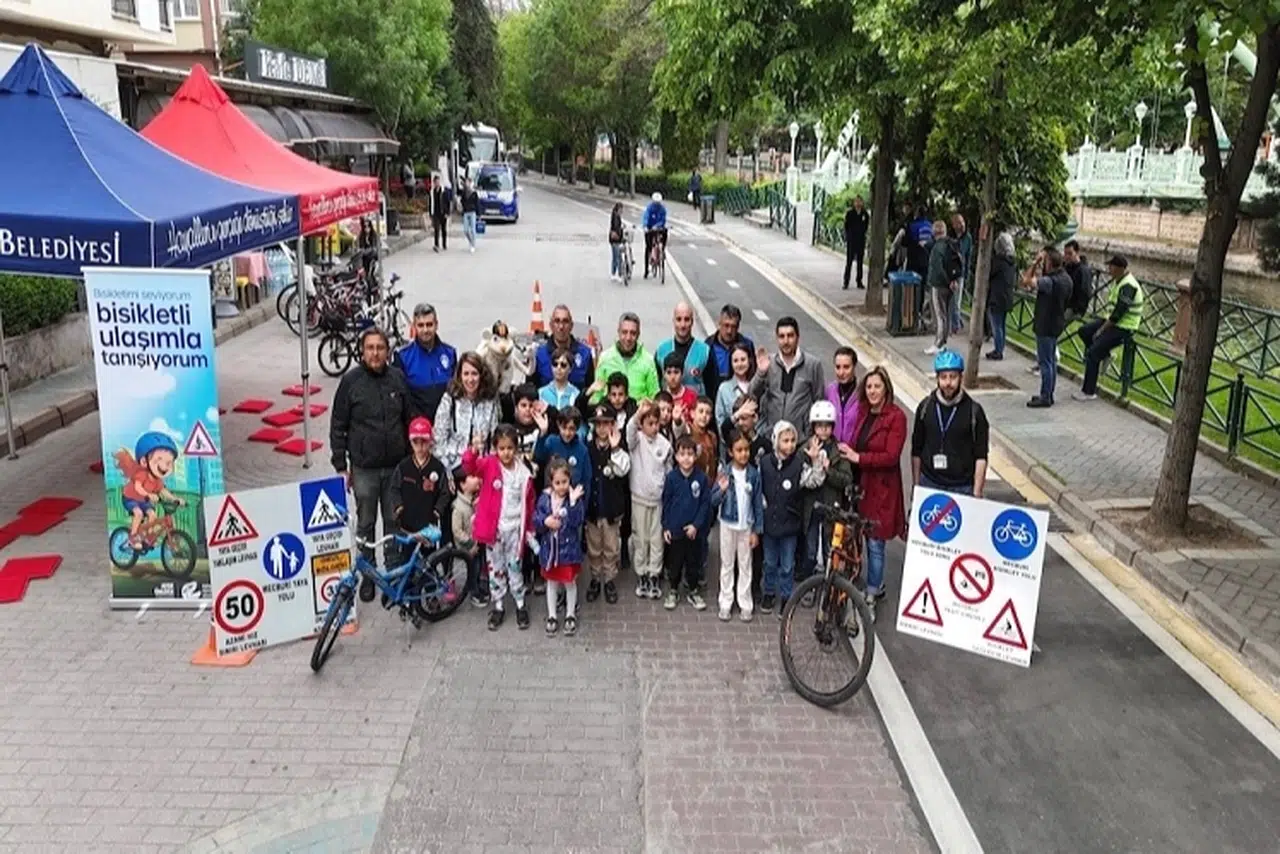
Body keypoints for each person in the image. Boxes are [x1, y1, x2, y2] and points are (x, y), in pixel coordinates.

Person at [330, 328, 412, 602]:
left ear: (388, 351)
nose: (375, 353)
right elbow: (338, 425)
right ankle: (368, 576)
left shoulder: (398, 380)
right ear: (362, 351)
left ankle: (391, 575)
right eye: (370, 348)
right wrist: (341, 465)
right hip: (364, 469)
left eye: (380, 347)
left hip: (395, 468)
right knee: (365, 525)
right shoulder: (350, 382)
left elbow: (409, 419)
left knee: (394, 523)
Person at [842, 367, 907, 620]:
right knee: (858, 537)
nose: (872, 391)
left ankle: (872, 592)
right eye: (869, 387)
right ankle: (862, 581)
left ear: (886, 388)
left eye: (877, 386)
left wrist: (859, 457)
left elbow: (891, 456)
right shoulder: (863, 412)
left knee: (875, 543)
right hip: (860, 485)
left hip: (881, 488)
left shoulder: (896, 417)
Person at [463, 426, 535, 631]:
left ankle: (520, 604)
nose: (506, 453)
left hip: (515, 529)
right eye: (502, 448)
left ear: (516, 448)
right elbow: (469, 467)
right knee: (496, 569)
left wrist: (529, 529)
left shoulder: (524, 473)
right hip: (495, 531)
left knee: (515, 567)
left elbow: (529, 502)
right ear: (495, 449)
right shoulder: (490, 465)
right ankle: (499, 605)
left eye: (510, 448)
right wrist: (473, 450)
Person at [911, 350, 989, 497]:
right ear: (937, 379)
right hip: (930, 483)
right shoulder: (925, 408)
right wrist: (916, 486)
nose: (948, 383)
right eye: (943, 377)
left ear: (961, 377)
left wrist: (977, 492)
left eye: (953, 377)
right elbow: (916, 450)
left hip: (962, 487)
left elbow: (981, 455)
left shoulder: (975, 412)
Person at [799, 400, 854, 598]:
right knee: (810, 549)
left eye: (827, 425)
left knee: (830, 549)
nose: (823, 430)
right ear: (813, 426)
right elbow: (800, 476)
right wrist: (811, 460)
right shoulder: (805, 447)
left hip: (832, 507)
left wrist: (829, 469)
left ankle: (828, 586)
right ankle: (808, 587)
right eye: (819, 425)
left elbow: (847, 480)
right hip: (811, 508)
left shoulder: (839, 451)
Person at [1073, 254, 1144, 402]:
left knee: (1092, 353)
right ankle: (1105, 354)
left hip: (1125, 326)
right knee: (1084, 331)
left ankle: (1088, 391)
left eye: (1111, 266)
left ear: (1121, 269)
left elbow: (1118, 314)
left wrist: (1101, 330)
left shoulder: (1128, 286)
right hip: (1114, 322)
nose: (1109, 269)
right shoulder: (1118, 281)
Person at [711, 429, 764, 621]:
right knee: (727, 564)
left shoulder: (753, 474)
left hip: (746, 527)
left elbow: (757, 503)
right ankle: (725, 601)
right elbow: (713, 500)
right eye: (739, 450)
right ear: (731, 452)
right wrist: (722, 491)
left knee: (745, 564)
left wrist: (756, 530)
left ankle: (745, 602)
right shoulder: (724, 472)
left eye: (746, 450)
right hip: (727, 524)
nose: (744, 454)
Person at [534, 458, 587, 637]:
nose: (562, 486)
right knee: (552, 583)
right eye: (557, 482)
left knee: (569, 583)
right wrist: (545, 521)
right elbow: (537, 519)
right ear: (551, 482)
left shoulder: (574, 499)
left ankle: (570, 613)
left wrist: (572, 504)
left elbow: (576, 521)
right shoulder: (544, 498)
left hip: (568, 550)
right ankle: (552, 615)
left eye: (564, 482)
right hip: (550, 550)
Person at [584, 405, 631, 605]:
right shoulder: (587, 448)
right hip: (593, 509)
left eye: (606, 424)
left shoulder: (619, 448)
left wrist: (615, 448)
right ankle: (595, 578)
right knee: (594, 547)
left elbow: (623, 470)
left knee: (611, 547)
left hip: (611, 508)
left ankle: (609, 579)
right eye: (599, 424)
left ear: (613, 425)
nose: (602, 429)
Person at [759, 421, 806, 616]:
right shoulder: (765, 463)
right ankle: (768, 592)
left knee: (787, 565)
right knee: (770, 562)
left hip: (790, 523)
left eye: (793, 440)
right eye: (785, 440)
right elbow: (759, 489)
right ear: (776, 441)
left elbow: (807, 482)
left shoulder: (798, 464)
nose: (790, 445)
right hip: (770, 523)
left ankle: (787, 596)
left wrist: (817, 464)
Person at [751, 317, 826, 437]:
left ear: (798, 337)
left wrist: (812, 434)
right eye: (781, 336)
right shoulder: (768, 363)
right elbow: (753, 394)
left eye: (790, 335)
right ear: (777, 338)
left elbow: (819, 401)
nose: (786, 341)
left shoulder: (813, 364)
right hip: (772, 438)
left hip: (800, 440)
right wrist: (761, 373)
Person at [627, 400, 672, 599]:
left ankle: (654, 574)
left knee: (656, 540)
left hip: (658, 501)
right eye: (649, 423)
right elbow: (629, 429)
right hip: (638, 498)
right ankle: (642, 574)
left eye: (656, 423)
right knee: (640, 538)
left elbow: (668, 471)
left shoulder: (665, 444)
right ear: (642, 424)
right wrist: (638, 414)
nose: (654, 428)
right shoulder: (636, 440)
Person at [661, 435, 711, 611]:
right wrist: (666, 526)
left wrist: (696, 525)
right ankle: (673, 590)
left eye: (690, 454)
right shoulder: (672, 478)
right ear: (676, 456)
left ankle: (693, 590)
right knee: (674, 562)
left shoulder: (701, 478)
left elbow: (705, 503)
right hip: (675, 530)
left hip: (693, 531)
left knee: (693, 563)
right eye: (682, 454)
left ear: (695, 456)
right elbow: (665, 503)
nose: (686, 458)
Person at [434, 352, 502, 479]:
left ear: (481, 375)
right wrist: (449, 471)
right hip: (454, 465)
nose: (470, 380)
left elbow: (494, 439)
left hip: (482, 465)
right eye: (466, 374)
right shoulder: (450, 400)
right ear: (460, 376)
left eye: (474, 374)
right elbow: (439, 441)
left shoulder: (490, 400)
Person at [1020, 246, 1072, 408]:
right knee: (1051, 361)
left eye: (1044, 261)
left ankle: (1045, 396)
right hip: (1056, 323)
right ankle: (1048, 393)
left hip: (1045, 323)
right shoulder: (1066, 279)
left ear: (1048, 263)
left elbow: (1026, 281)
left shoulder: (1050, 282)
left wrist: (1035, 263)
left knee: (1045, 362)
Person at [390, 416, 452, 536]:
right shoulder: (403, 466)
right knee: (407, 553)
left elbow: (444, 492)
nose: (420, 447)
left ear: (430, 441)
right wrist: (399, 507)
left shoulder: (437, 467)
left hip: (428, 524)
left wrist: (437, 511)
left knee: (429, 554)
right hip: (406, 524)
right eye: (415, 442)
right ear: (410, 442)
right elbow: (394, 488)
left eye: (424, 442)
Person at [395, 303, 457, 421]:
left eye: (429, 325)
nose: (425, 330)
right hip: (417, 428)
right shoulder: (403, 357)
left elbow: (456, 391)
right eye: (420, 325)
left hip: (446, 423)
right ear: (414, 327)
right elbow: (401, 398)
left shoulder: (450, 354)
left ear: (436, 325)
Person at [594, 312, 660, 403]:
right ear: (618, 332)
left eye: (633, 333)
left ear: (638, 334)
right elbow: (597, 395)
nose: (628, 338)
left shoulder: (648, 360)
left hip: (640, 414)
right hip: (610, 414)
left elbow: (654, 396)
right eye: (624, 332)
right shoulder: (605, 358)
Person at [534, 406, 593, 505]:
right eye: (564, 428)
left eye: (572, 429)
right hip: (550, 502)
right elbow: (539, 457)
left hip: (572, 503)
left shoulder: (582, 450)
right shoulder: (551, 441)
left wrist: (582, 507)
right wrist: (543, 433)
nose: (567, 433)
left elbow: (586, 481)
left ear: (577, 428)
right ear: (558, 425)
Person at [654, 302, 711, 396]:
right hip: (668, 408)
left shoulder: (705, 352)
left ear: (692, 322)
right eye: (679, 319)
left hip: (695, 407)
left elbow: (710, 387)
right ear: (673, 321)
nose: (683, 325)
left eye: (687, 319)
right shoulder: (661, 351)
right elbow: (656, 384)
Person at [533, 305, 595, 389]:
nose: (561, 326)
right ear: (551, 325)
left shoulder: (585, 354)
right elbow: (531, 393)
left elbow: (590, 390)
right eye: (557, 321)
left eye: (565, 321)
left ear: (571, 326)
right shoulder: (539, 355)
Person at [703, 305, 754, 404]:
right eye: (726, 325)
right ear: (719, 323)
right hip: (713, 401)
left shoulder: (747, 345)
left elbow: (753, 375)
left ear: (738, 327)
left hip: (741, 402)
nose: (729, 331)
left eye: (733, 326)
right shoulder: (708, 345)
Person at [925, 221, 959, 354]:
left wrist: (945, 281)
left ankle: (938, 343)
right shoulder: (950, 245)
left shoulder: (937, 248)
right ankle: (943, 341)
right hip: (950, 284)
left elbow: (938, 268)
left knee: (939, 315)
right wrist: (952, 281)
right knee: (946, 315)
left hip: (939, 285)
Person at [453, 474, 487, 608]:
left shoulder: (473, 501)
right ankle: (474, 593)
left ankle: (478, 588)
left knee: (478, 567)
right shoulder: (458, 507)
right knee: (473, 569)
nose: (477, 479)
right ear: (462, 485)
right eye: (472, 476)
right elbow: (457, 531)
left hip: (477, 543)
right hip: (468, 546)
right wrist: (470, 543)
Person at [985, 232, 1017, 361]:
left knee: (996, 325)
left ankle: (998, 351)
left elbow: (989, 274)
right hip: (1006, 297)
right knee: (1001, 325)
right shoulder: (1012, 262)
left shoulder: (998, 261)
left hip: (996, 297)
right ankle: (1000, 348)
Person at [714, 342, 755, 438]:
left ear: (749, 360)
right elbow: (720, 421)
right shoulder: (724, 389)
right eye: (735, 361)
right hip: (733, 444)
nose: (740, 364)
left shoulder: (756, 385)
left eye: (743, 360)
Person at [825, 346, 861, 446]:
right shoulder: (829, 391)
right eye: (838, 367)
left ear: (854, 366)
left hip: (854, 453)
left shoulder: (863, 393)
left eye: (846, 367)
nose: (841, 372)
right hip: (833, 452)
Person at [949, 214, 973, 334]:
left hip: (960, 273)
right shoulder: (951, 237)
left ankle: (955, 325)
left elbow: (968, 256)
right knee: (950, 299)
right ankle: (955, 321)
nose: (961, 225)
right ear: (954, 225)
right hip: (949, 272)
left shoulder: (967, 238)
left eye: (962, 222)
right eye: (958, 223)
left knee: (956, 301)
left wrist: (966, 274)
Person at [538, 348, 581, 414]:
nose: (558, 368)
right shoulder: (541, 393)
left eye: (563, 365)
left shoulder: (576, 394)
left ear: (570, 369)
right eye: (555, 364)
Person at [1063, 239, 1095, 326]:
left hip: (1072, 307)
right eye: (1065, 253)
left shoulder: (1083, 270)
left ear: (1077, 253)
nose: (1067, 256)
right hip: (1063, 303)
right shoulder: (1066, 266)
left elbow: (1086, 291)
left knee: (1052, 328)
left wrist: (1079, 310)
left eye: (1070, 253)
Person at [843, 195, 870, 290]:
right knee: (849, 261)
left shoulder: (865, 214)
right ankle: (846, 281)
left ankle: (859, 281)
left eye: (860, 201)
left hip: (860, 240)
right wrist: (848, 236)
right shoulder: (850, 213)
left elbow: (866, 226)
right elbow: (846, 226)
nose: (858, 203)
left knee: (860, 262)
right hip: (852, 240)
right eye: (856, 201)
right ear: (854, 203)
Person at [642, 192, 668, 279]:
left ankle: (662, 249)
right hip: (650, 228)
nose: (657, 204)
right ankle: (646, 270)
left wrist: (658, 225)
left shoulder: (662, 209)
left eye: (658, 203)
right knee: (648, 247)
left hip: (659, 227)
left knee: (665, 232)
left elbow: (663, 219)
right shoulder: (649, 208)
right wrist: (645, 226)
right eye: (655, 203)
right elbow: (646, 216)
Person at [460, 178, 479, 254]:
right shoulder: (464, 192)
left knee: (473, 229)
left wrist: (479, 213)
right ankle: (470, 240)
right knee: (465, 230)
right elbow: (462, 201)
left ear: (471, 183)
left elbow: (477, 203)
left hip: (472, 212)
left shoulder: (474, 193)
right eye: (466, 182)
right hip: (466, 212)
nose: (467, 184)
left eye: (468, 182)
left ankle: (473, 245)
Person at [430, 175, 448, 252]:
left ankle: (444, 244)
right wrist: (430, 213)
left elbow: (447, 202)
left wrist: (447, 212)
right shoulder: (432, 192)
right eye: (435, 182)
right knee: (436, 229)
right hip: (435, 213)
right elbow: (430, 203)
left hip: (443, 212)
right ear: (434, 183)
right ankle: (436, 244)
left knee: (443, 229)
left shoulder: (443, 191)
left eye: (438, 182)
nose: (437, 183)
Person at [609, 203, 626, 282]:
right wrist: (621, 228)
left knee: (615, 257)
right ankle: (619, 275)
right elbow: (616, 227)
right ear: (618, 209)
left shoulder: (615, 215)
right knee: (618, 257)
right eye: (621, 209)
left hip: (613, 239)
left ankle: (613, 273)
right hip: (616, 239)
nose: (622, 211)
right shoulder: (616, 216)